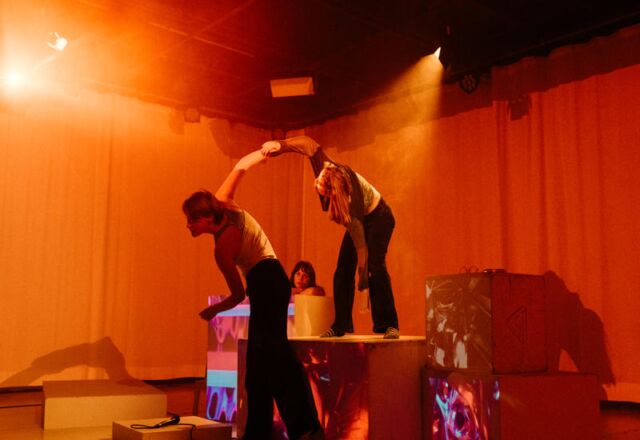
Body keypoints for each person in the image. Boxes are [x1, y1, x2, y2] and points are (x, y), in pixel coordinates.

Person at [182, 150, 323, 440]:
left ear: (206, 218)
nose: (188, 226)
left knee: (275, 357)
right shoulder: (224, 203)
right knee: (258, 367)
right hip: (269, 280)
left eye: (191, 220)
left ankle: (305, 428)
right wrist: (265, 151)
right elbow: (242, 165)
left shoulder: (222, 249)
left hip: (266, 281)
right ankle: (260, 432)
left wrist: (214, 310)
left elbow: (237, 295)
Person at [261, 136, 400, 339]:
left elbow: (362, 250)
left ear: (335, 195)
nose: (318, 189)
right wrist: (280, 145)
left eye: (324, 193)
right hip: (361, 218)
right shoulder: (327, 169)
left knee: (375, 267)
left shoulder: (351, 206)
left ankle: (389, 324)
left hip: (380, 218)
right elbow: (308, 144)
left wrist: (363, 285)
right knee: (342, 269)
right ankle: (341, 324)